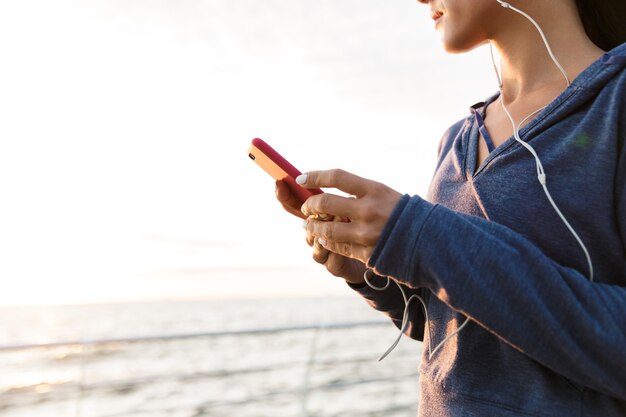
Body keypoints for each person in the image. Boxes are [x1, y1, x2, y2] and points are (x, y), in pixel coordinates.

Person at [276, 0, 626, 415]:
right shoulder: (456, 140)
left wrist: (419, 238)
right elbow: (460, 330)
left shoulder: (614, 104)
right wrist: (375, 271)